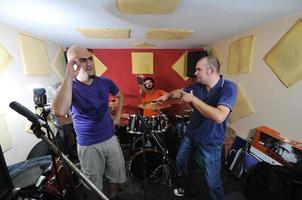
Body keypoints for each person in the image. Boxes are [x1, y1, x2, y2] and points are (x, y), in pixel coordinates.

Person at [155, 56, 238, 200]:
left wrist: (193, 99)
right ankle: (186, 187)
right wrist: (168, 95)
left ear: (211, 70)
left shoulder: (229, 87)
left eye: (198, 69)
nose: (195, 73)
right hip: (191, 134)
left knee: (212, 182)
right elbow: (180, 92)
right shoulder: (196, 86)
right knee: (180, 162)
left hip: (211, 141)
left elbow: (219, 117)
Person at [52, 45, 126, 200]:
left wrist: (117, 116)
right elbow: (58, 111)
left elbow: (120, 95)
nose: (89, 63)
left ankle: (112, 196)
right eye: (83, 60)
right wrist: (69, 76)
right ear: (72, 64)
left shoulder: (105, 82)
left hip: (110, 138)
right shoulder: (69, 87)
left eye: (90, 59)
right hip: (88, 144)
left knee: (114, 173)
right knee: (93, 182)